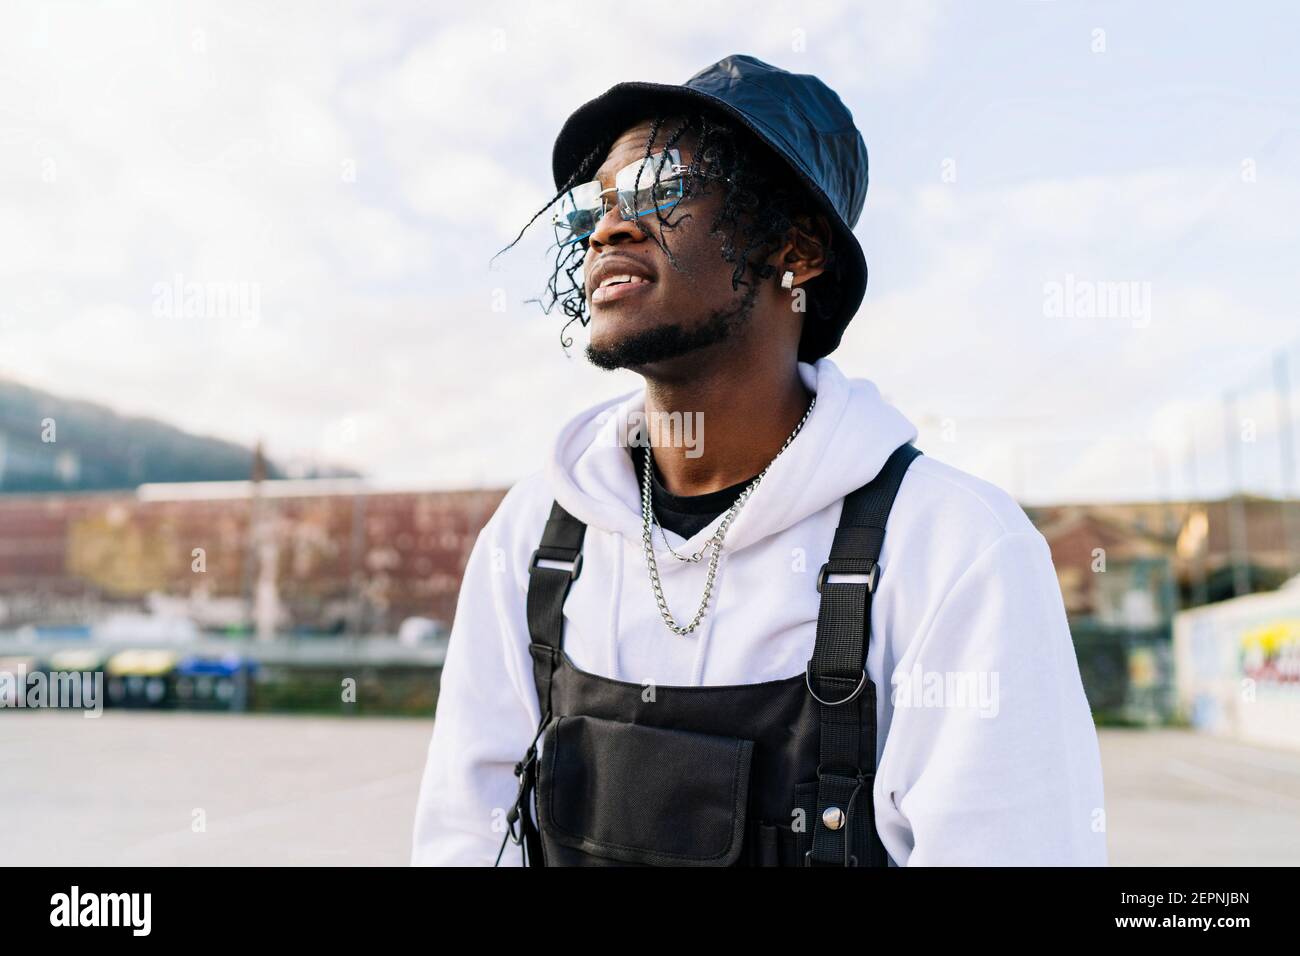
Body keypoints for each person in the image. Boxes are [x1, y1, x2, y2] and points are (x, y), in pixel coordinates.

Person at [412, 54, 1107, 867]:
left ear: (798, 250)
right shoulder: (533, 534)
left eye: (660, 187)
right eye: (591, 211)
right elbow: (464, 834)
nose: (608, 229)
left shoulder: (955, 548)